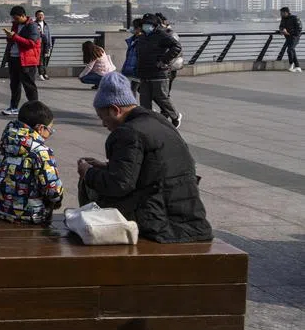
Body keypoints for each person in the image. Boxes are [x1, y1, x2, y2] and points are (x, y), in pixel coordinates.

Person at [77, 72, 212, 243]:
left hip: (159, 219)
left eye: (102, 117)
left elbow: (119, 185)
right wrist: (105, 167)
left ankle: (93, 235)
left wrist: (88, 173)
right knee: (95, 174)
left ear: (115, 110)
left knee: (89, 184)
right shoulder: (159, 121)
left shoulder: (127, 133)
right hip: (187, 213)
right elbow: (148, 169)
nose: (103, 124)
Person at [0, 101, 63, 225]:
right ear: (40, 128)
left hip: (2, 208)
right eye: (50, 130)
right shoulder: (41, 152)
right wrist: (57, 199)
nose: (50, 133)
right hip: (31, 216)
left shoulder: (7, 142)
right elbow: (52, 189)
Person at [136, 13, 183, 128]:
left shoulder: (161, 35)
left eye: (149, 24)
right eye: (144, 24)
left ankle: (175, 116)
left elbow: (176, 47)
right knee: (144, 100)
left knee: (161, 97)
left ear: (154, 25)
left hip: (159, 72)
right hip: (144, 73)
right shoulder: (142, 37)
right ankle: (148, 122)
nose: (146, 26)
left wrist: (164, 60)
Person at [1, 6, 41, 116]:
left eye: (17, 18)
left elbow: (31, 43)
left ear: (23, 16)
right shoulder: (15, 24)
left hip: (26, 61)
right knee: (14, 85)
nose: (15, 20)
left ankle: (35, 109)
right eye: (14, 18)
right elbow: (12, 40)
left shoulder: (32, 26)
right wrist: (9, 36)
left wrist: (15, 37)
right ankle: (13, 107)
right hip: (13, 58)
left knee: (29, 86)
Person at [279, 6, 302, 73]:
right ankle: (298, 67)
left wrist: (289, 33)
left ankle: (291, 64)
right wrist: (282, 30)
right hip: (288, 37)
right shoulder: (283, 19)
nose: (280, 14)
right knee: (292, 50)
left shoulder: (294, 18)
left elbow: (299, 29)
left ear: (286, 12)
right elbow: (281, 26)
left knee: (290, 50)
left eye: (282, 13)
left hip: (295, 37)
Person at [121, 18, 143, 86]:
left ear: (139, 28)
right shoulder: (132, 40)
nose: (131, 28)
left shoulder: (143, 40)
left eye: (132, 26)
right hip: (129, 70)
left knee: (134, 88)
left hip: (136, 70)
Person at [34, 9, 52, 81]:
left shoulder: (46, 25)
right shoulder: (33, 24)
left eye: (42, 15)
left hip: (46, 45)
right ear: (36, 16)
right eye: (39, 15)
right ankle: (41, 74)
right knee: (39, 59)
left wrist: (50, 46)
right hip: (38, 44)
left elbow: (49, 35)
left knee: (45, 59)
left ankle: (44, 73)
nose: (41, 16)